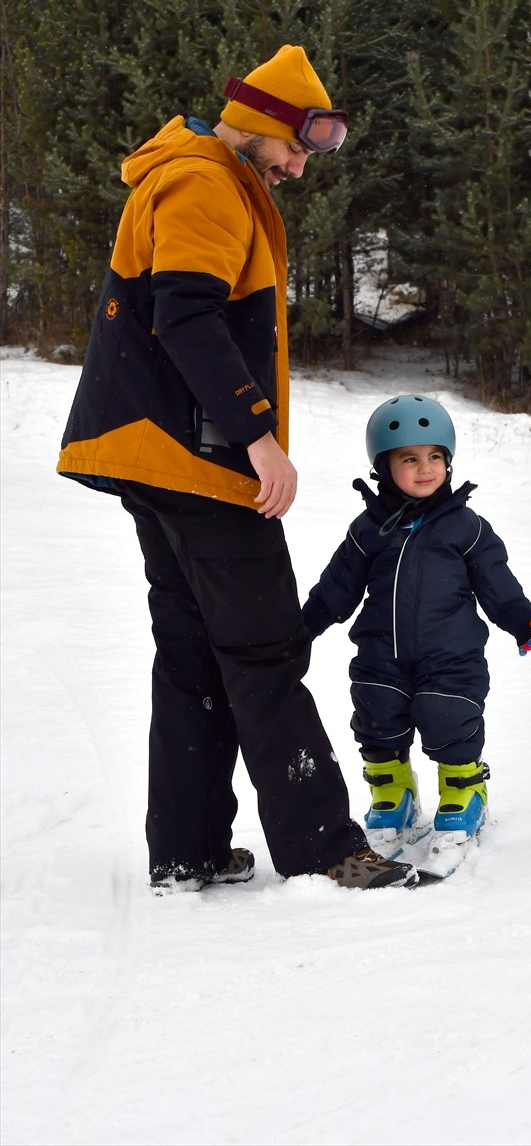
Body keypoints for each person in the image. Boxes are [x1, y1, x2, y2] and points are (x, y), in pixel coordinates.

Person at [57, 45, 416, 891]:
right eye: (298, 145)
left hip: (161, 451)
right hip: (193, 455)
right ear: (261, 126)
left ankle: (188, 850)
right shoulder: (204, 180)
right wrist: (257, 434)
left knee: (193, 651)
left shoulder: (204, 175)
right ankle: (328, 852)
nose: (300, 164)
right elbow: (188, 318)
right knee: (262, 648)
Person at [301, 395, 531, 862]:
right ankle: (394, 795)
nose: (425, 468)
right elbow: (337, 587)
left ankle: (464, 795)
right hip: (381, 653)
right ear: (383, 466)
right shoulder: (368, 529)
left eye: (435, 456)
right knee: (376, 715)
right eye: (409, 459)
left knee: (447, 717)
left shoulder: (466, 528)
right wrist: (303, 627)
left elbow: (497, 583)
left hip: (451, 656)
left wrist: (522, 621)